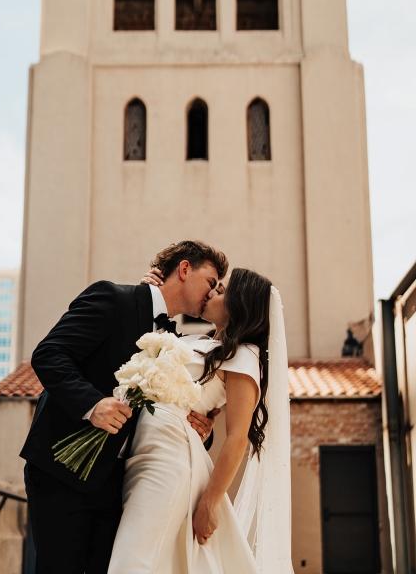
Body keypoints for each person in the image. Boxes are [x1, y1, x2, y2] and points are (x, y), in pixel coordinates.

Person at [20, 241, 228, 574]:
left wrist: (200, 431)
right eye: (212, 280)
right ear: (185, 269)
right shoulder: (113, 298)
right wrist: (92, 404)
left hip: (121, 483)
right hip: (64, 470)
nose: (214, 291)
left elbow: (163, 410)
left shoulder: (175, 340)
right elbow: (49, 354)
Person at [107, 266, 293, 573]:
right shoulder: (198, 341)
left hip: (170, 458)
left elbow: (236, 436)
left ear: (240, 305)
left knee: (133, 561)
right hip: (140, 453)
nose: (212, 292)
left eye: (221, 291)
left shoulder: (245, 355)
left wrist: (210, 502)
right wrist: (151, 293)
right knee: (153, 561)